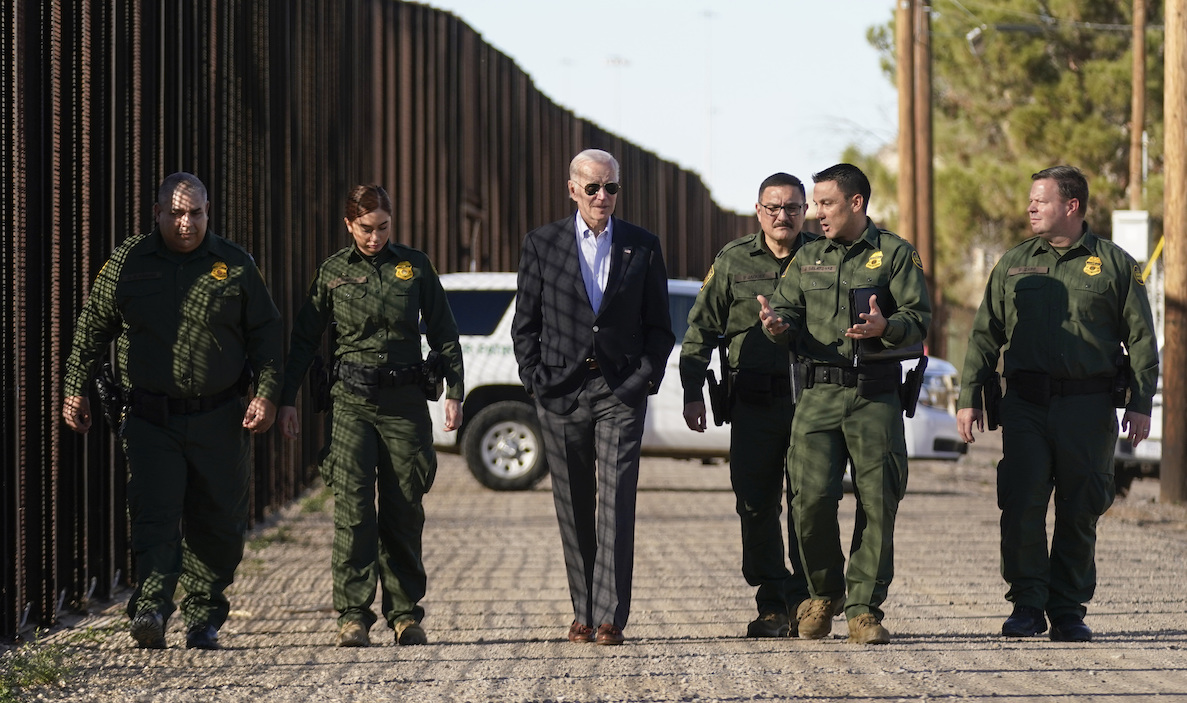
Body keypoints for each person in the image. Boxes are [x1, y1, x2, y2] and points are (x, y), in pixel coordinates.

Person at [62, 172, 283, 650]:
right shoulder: (128, 262)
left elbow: (267, 335)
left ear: (208, 212)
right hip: (151, 419)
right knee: (154, 516)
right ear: (158, 213)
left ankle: (203, 615)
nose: (187, 223)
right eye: (177, 214)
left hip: (219, 417)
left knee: (219, 523)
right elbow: (91, 328)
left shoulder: (234, 264)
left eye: (196, 213)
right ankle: (152, 608)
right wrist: (74, 388)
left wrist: (266, 394)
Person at [956, 166, 1158, 643]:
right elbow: (985, 335)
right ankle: (1027, 605)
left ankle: (1067, 609)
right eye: (1030, 200)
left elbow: (1141, 339)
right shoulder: (1013, 263)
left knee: (1080, 507)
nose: (1030, 207)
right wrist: (969, 397)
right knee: (1021, 502)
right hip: (1025, 405)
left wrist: (1141, 402)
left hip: (1088, 408)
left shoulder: (1115, 264)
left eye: (1040, 200)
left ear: (1072, 206)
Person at [277, 184, 463, 648]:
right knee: (354, 510)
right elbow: (304, 340)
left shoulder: (414, 266)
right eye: (365, 228)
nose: (375, 237)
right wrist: (286, 399)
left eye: (383, 227)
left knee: (404, 508)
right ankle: (353, 615)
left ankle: (404, 614)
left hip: (405, 405)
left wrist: (455, 393)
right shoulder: (333, 272)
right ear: (348, 225)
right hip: (351, 405)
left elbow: (444, 332)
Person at [758, 163, 930, 644]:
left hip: (875, 395)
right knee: (809, 501)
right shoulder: (808, 257)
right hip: (817, 396)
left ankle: (864, 609)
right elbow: (787, 310)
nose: (817, 213)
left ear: (856, 203)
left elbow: (919, 319)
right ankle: (822, 595)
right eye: (816, 204)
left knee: (878, 502)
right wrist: (776, 325)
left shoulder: (895, 254)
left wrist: (886, 327)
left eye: (826, 203)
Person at [512, 149, 674, 646]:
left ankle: (609, 616)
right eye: (593, 187)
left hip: (619, 390)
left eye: (611, 187)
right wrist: (535, 379)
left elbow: (660, 327)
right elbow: (526, 324)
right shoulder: (541, 244)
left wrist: (642, 380)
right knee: (573, 503)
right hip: (561, 391)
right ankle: (582, 611)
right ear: (572, 189)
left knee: (617, 503)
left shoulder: (642, 245)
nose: (602, 196)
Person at [680, 173, 818, 638]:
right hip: (754, 404)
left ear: (805, 211)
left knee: (809, 504)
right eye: (773, 207)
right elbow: (700, 329)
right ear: (758, 211)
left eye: (793, 207)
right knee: (756, 504)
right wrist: (692, 392)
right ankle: (771, 603)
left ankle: (806, 600)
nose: (783, 216)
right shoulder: (733, 259)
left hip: (812, 403)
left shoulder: (824, 257)